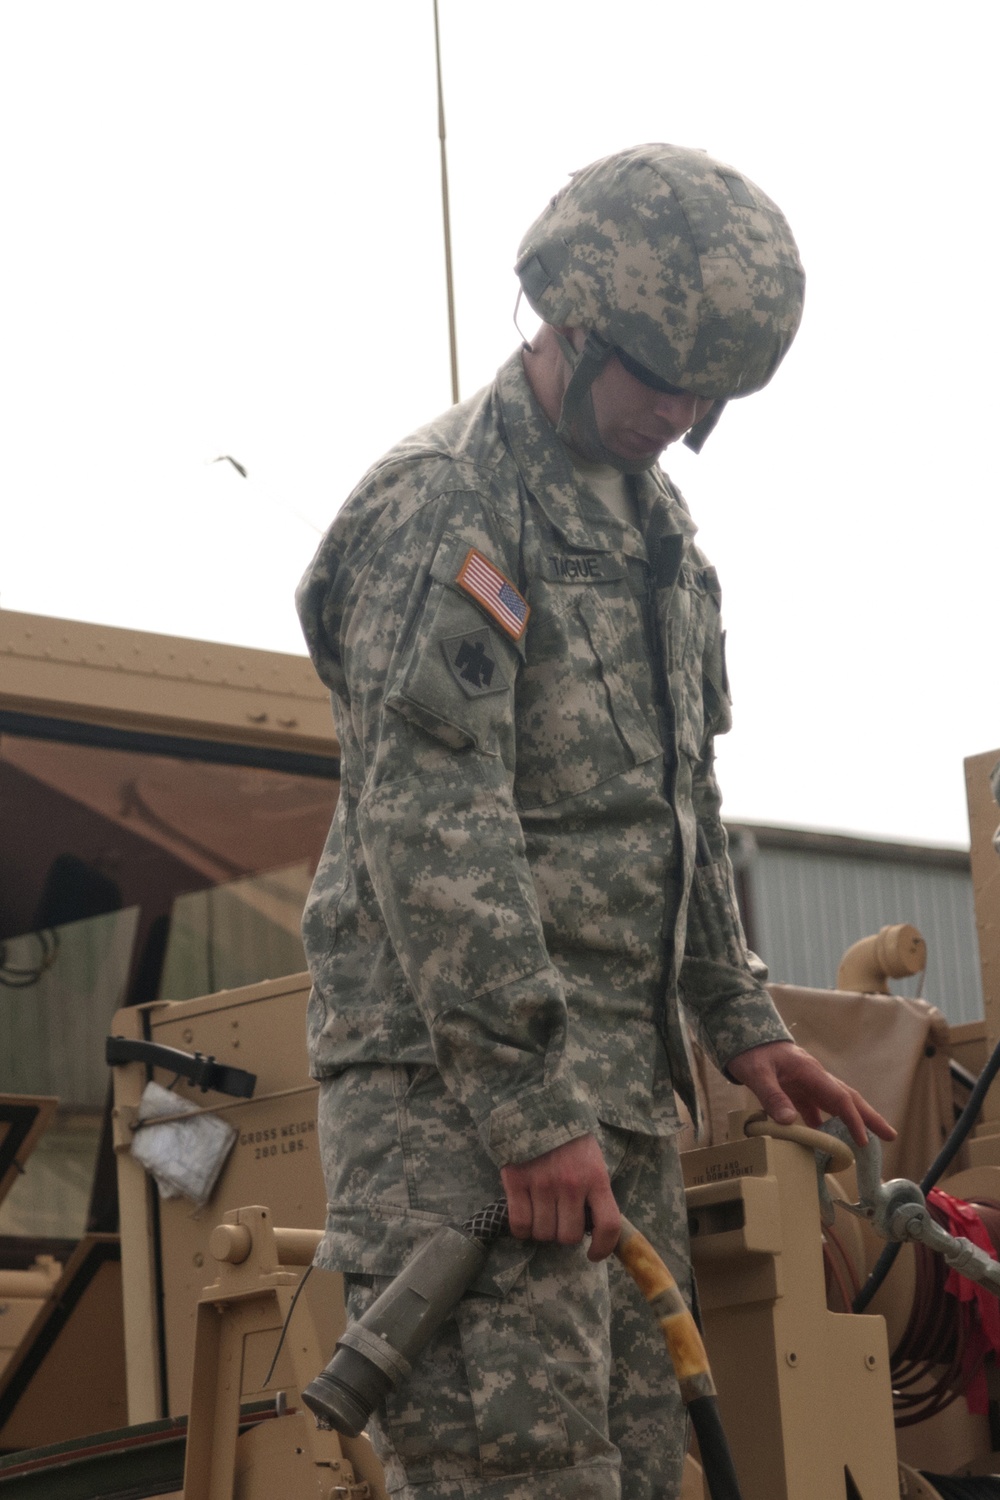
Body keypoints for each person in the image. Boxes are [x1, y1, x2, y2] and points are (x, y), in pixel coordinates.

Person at [296, 143, 894, 1500]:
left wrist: (739, 1023)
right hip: (462, 1109)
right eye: (660, 376)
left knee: (632, 1463)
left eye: (710, 394)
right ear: (569, 321)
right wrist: (523, 1106)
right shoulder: (450, 500)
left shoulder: (656, 529)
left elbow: (675, 802)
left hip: (609, 1102)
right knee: (524, 1475)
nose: (678, 416)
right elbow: (429, 815)